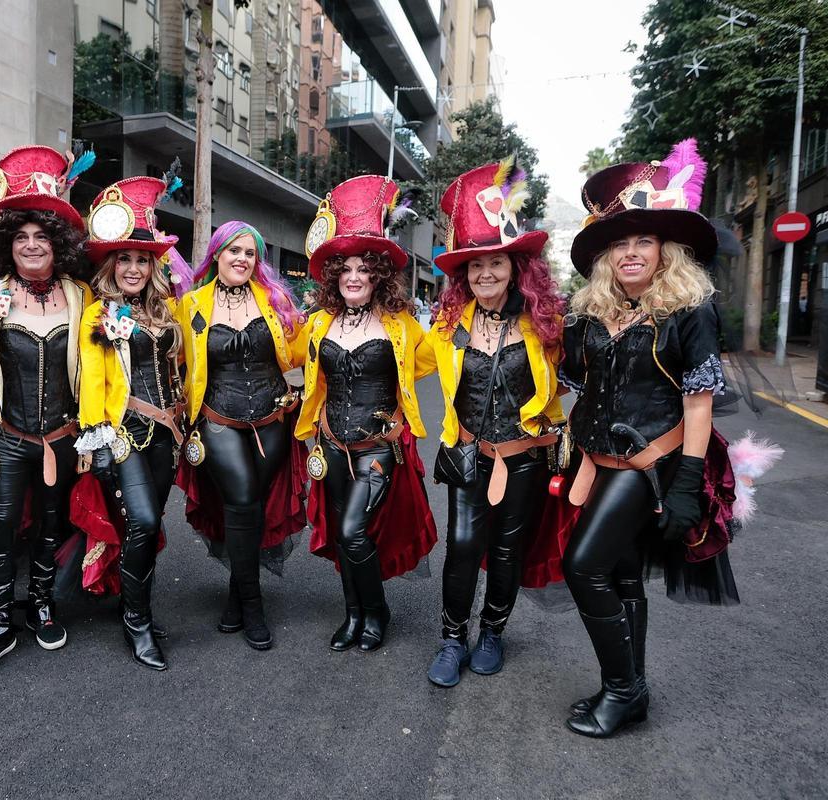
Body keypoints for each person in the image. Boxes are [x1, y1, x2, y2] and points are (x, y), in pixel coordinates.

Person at [560, 139, 739, 737]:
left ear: (666, 250)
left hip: (649, 464)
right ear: (605, 256)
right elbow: (573, 383)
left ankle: (621, 689)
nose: (631, 252)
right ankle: (631, 691)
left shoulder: (690, 309)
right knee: (621, 575)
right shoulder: (588, 314)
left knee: (582, 565)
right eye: (619, 243)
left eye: (643, 240)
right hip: (597, 461)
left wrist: (687, 481)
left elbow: (698, 401)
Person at [418, 159, 567, 686]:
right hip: (469, 456)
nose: (485, 273)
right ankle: (452, 638)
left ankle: (493, 634)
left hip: (526, 460)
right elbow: (401, 362)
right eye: (475, 265)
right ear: (463, 273)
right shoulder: (445, 328)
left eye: (496, 262)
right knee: (462, 545)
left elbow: (588, 369)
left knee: (507, 551)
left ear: (514, 266)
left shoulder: (545, 324)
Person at [0, 145, 94, 680]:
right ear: (7, 245)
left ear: (58, 244)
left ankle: (41, 605)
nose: (31, 245)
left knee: (51, 526)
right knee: (0, 528)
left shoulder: (81, 297)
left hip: (64, 438)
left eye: (41, 237)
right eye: (21, 237)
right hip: (7, 438)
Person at [297, 175, 438, 653]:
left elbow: (434, 360)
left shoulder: (401, 325)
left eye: (364, 269)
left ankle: (377, 612)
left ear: (378, 275)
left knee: (354, 530)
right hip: (331, 443)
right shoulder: (319, 323)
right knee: (343, 535)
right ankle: (353, 614)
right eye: (346, 269)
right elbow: (286, 356)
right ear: (334, 276)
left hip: (377, 447)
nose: (354, 277)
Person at [171, 221, 306, 651]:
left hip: (273, 419)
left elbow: (304, 349)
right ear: (217, 254)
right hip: (218, 420)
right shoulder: (191, 304)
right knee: (243, 499)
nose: (242, 259)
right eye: (234, 250)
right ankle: (252, 604)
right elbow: (174, 359)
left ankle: (235, 594)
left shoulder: (276, 300)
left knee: (254, 509)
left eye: (250, 253)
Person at [73, 175, 186, 670]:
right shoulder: (97, 314)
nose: (134, 268)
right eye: (125, 259)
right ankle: (136, 623)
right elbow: (91, 381)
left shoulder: (166, 311)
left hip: (167, 436)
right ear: (110, 264)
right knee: (140, 520)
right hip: (123, 434)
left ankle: (137, 605)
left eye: (143, 259)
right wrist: (96, 440)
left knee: (150, 523)